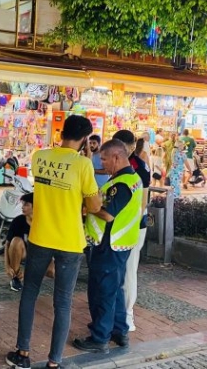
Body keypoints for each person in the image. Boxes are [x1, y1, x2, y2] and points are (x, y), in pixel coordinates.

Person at [5, 114, 101, 369]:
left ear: (61, 133)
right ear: (84, 140)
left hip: (40, 237)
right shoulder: (83, 165)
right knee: (63, 302)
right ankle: (54, 362)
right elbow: (94, 205)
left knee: (30, 293)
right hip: (70, 241)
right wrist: (86, 163)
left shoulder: (40, 157)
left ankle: (22, 353)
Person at [75, 139, 143, 353]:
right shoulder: (131, 179)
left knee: (101, 292)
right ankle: (119, 331)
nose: (102, 163)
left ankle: (99, 337)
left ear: (117, 157)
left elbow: (107, 213)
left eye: (104, 159)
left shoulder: (121, 184)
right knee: (114, 290)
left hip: (108, 244)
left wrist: (89, 205)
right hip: (119, 244)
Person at [111, 130, 150, 333]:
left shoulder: (140, 168)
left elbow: (142, 204)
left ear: (132, 147)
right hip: (116, 227)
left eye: (123, 147)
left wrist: (123, 223)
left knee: (128, 271)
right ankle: (115, 313)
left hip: (133, 228)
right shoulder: (116, 166)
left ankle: (127, 316)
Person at [4, 193, 55, 292]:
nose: (23, 207)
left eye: (26, 205)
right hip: (23, 252)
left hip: (40, 254)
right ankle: (15, 278)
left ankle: (30, 273)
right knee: (16, 242)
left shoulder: (44, 223)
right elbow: (7, 244)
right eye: (22, 204)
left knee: (52, 272)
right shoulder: (18, 221)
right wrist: (7, 266)